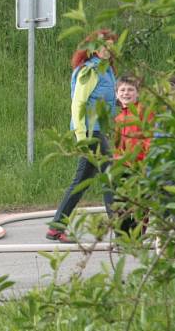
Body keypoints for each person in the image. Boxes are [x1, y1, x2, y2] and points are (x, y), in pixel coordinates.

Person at [46, 29, 117, 243]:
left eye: (112, 45)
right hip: (90, 133)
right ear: (94, 48)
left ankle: (56, 228)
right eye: (105, 45)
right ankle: (122, 232)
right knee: (110, 177)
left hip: (98, 131)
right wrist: (81, 137)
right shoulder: (90, 71)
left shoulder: (107, 70)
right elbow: (78, 105)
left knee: (81, 182)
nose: (108, 49)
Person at [112, 75, 152, 233]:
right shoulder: (119, 118)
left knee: (139, 204)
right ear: (116, 94)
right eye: (122, 90)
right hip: (121, 167)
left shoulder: (143, 112)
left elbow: (149, 137)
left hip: (139, 166)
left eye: (130, 89)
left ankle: (136, 236)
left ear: (138, 93)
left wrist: (147, 162)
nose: (126, 93)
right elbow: (117, 145)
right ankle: (121, 238)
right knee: (120, 203)